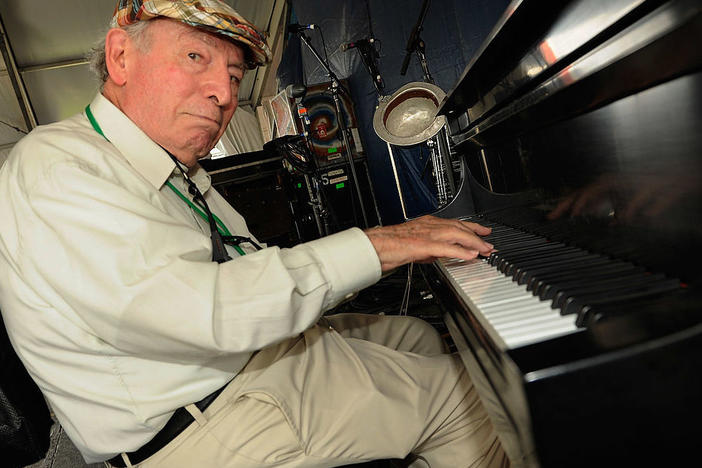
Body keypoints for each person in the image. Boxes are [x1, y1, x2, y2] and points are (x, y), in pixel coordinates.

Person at [0, 1, 507, 467]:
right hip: (197, 426)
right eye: (197, 57)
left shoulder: (177, 171)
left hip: (237, 369)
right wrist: (381, 245)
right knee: (482, 400)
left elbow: (248, 265)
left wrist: (380, 252)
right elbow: (207, 313)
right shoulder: (59, 166)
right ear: (121, 57)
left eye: (234, 75)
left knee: (417, 334)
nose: (223, 93)